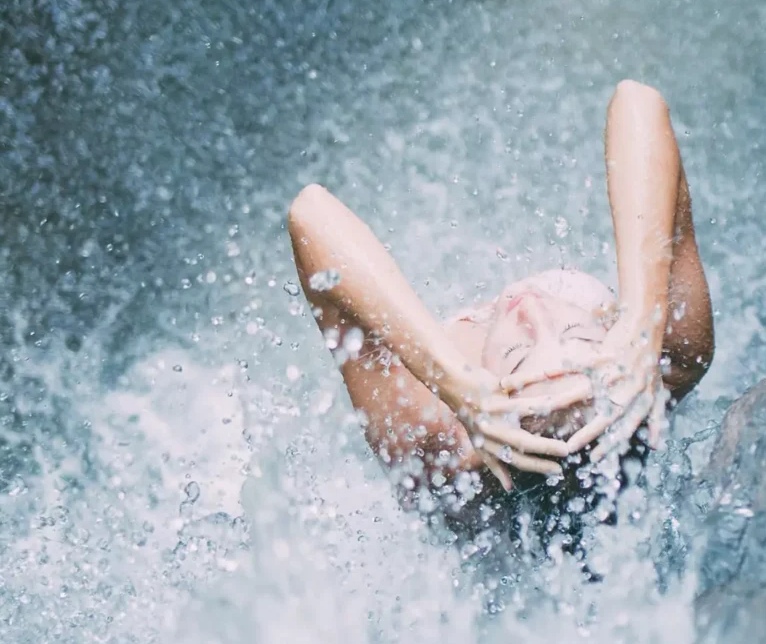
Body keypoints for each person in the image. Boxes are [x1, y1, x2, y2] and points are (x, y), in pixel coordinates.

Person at [288, 80, 713, 507]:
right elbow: (637, 101)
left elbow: (310, 215)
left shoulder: (438, 445)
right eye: (575, 334)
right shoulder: (666, 362)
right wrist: (641, 318)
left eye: (517, 356)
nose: (532, 310)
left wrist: (453, 381)